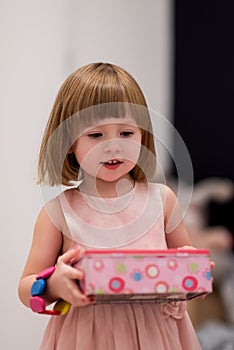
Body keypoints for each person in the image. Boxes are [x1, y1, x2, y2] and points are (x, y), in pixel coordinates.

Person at [18, 62, 202, 349]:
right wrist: (53, 284)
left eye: (127, 133)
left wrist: (193, 273)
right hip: (85, 336)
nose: (113, 146)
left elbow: (187, 266)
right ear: (68, 142)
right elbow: (25, 287)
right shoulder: (57, 213)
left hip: (157, 334)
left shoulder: (163, 200)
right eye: (95, 135)